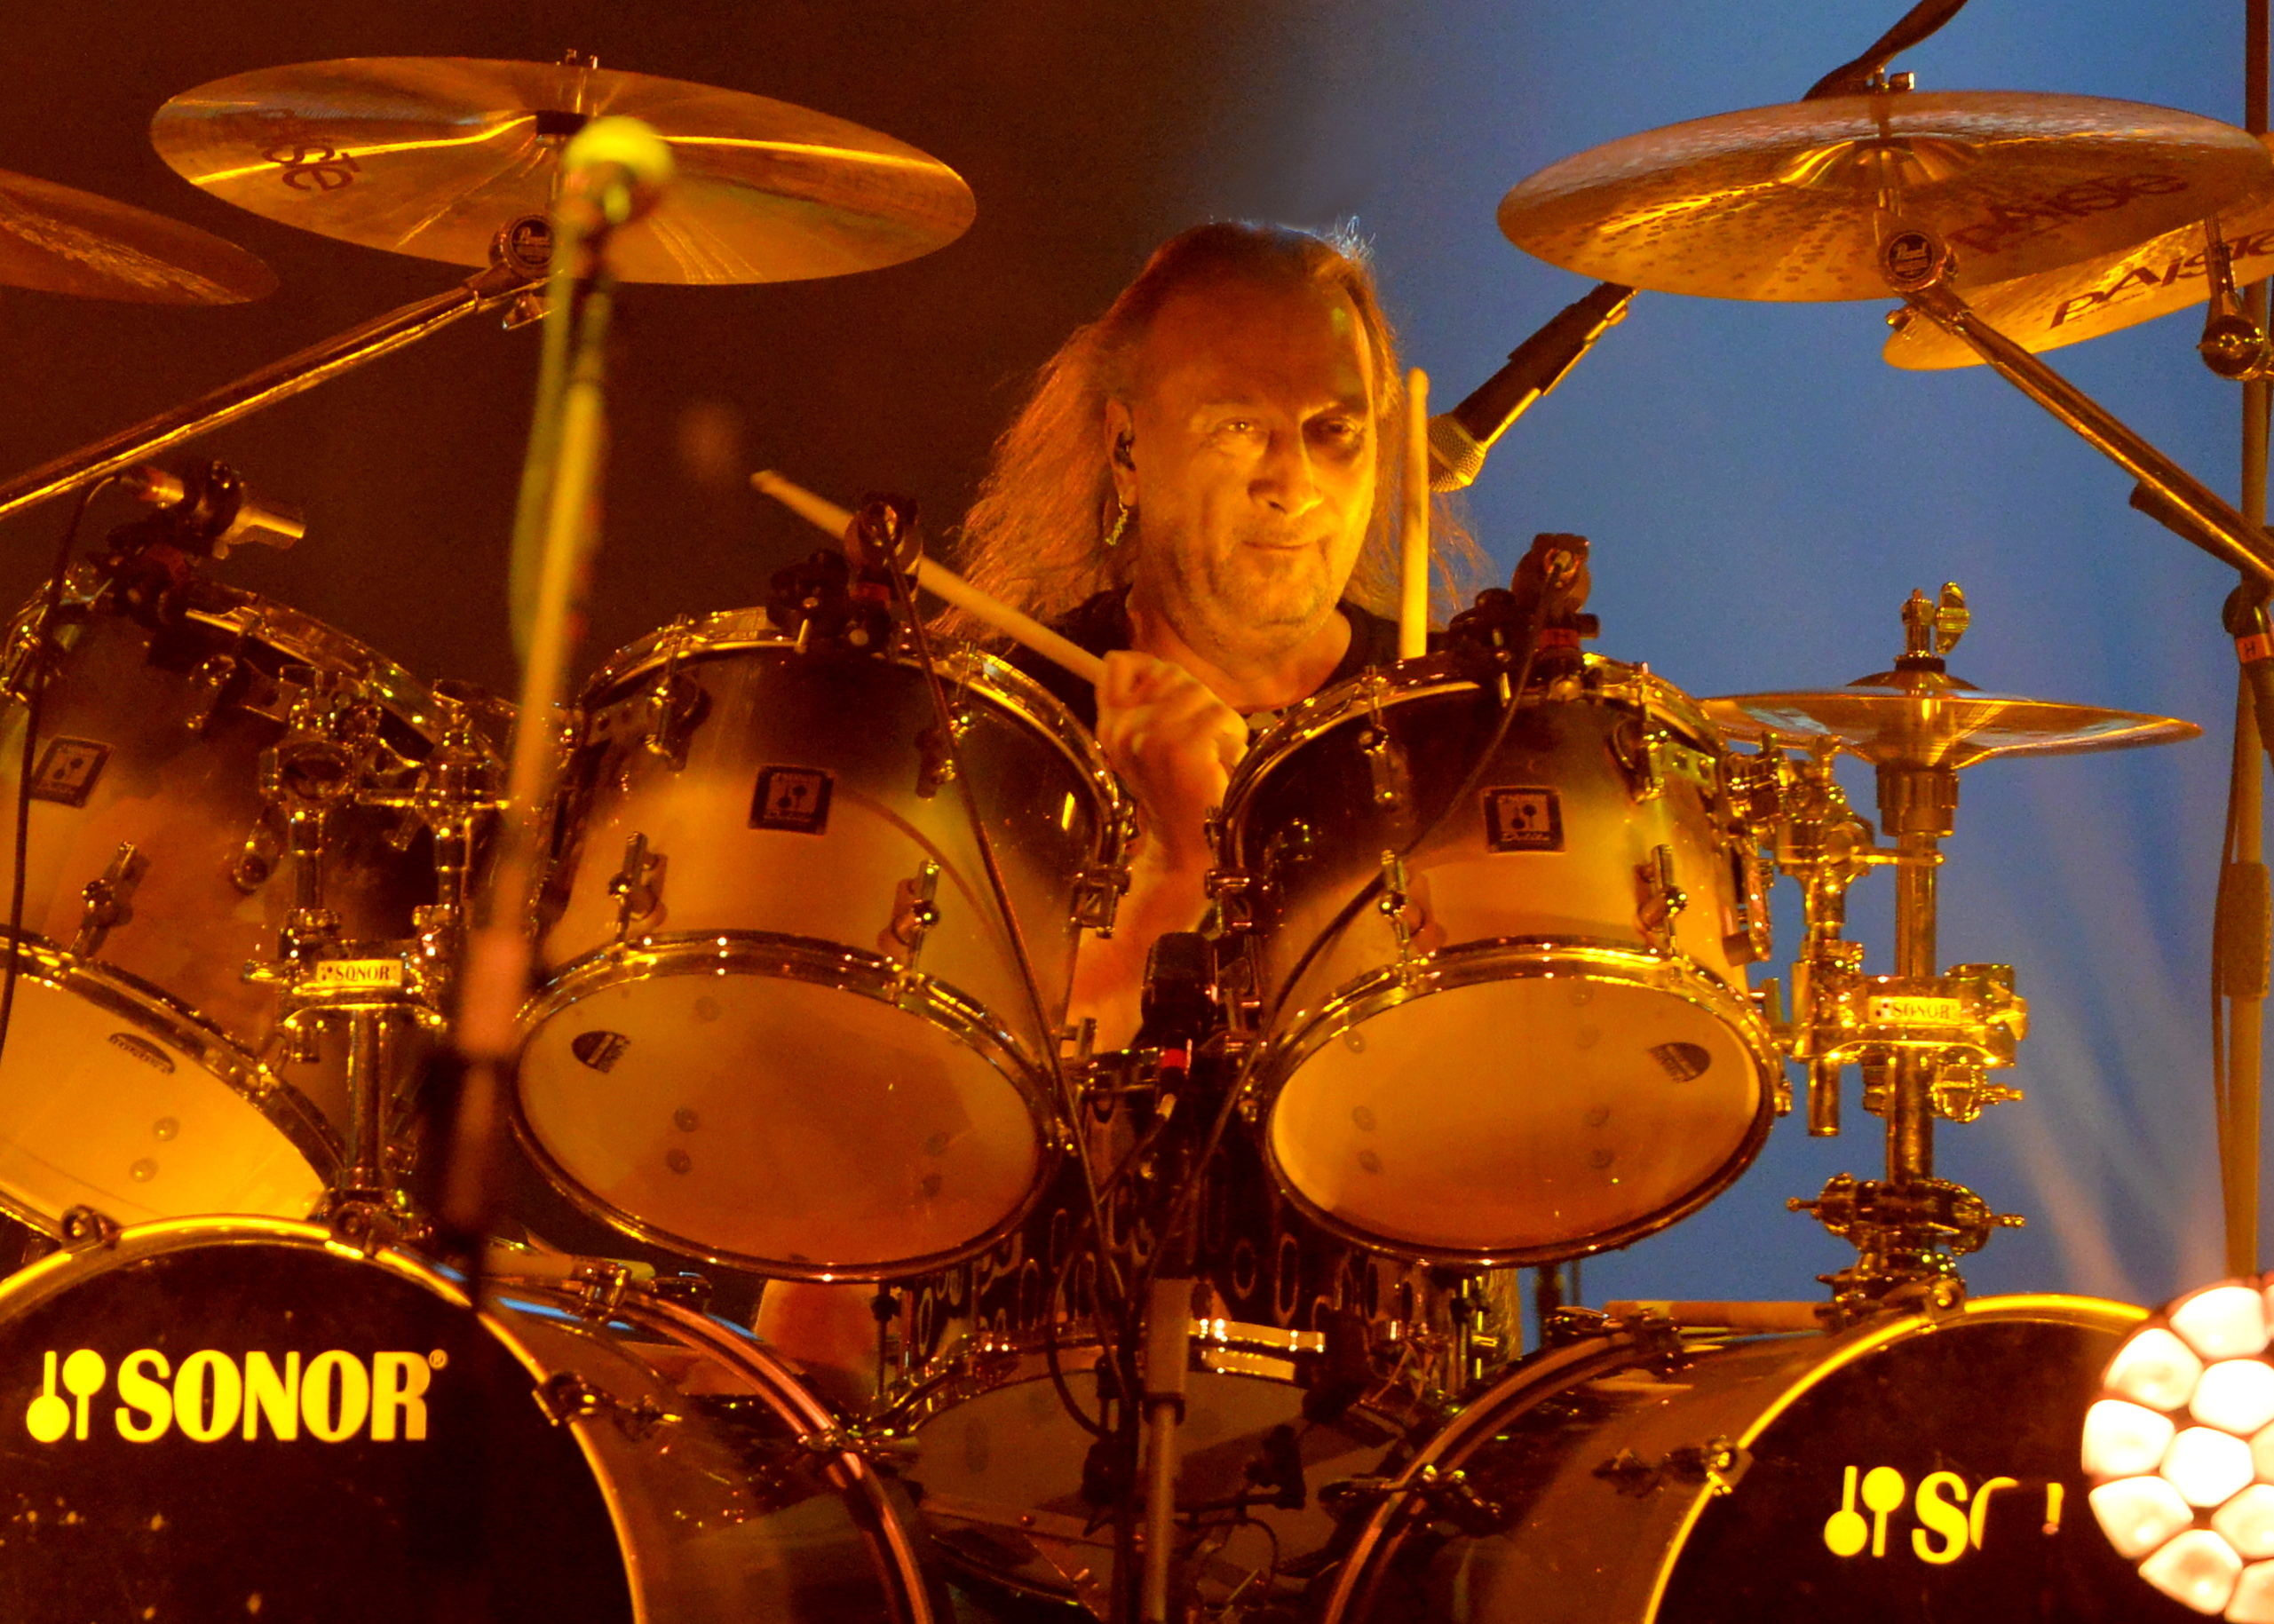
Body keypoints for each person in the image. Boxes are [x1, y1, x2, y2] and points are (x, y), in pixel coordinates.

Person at [951, 220, 1478, 1046]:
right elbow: (953, 1095)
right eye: (1238, 426)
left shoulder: (1471, 729)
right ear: (1127, 450)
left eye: (1334, 431)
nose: (1294, 484)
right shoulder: (997, 733)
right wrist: (1180, 869)